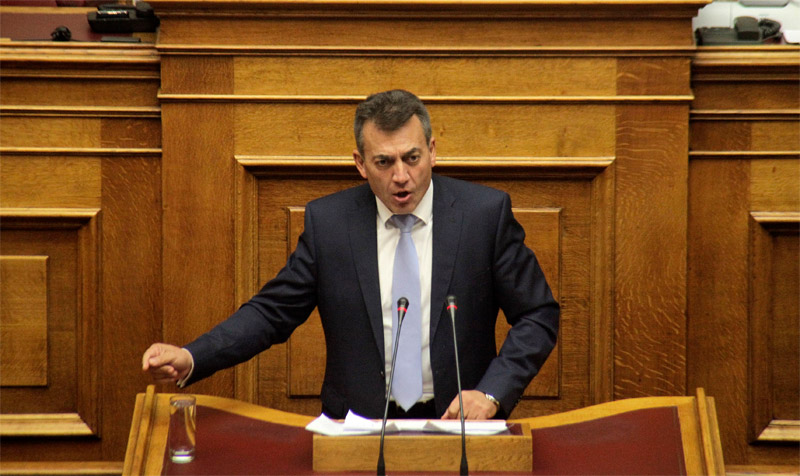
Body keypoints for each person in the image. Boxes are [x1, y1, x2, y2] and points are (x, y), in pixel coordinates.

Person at [142, 89, 559, 421]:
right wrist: (193, 356)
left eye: (412, 158)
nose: (401, 176)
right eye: (384, 162)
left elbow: (538, 314)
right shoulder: (330, 224)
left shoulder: (483, 216)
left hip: (459, 423)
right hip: (357, 425)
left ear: (432, 151)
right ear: (360, 163)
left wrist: (491, 393)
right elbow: (272, 313)